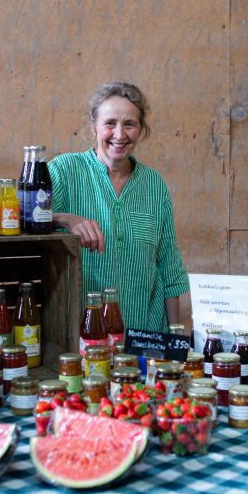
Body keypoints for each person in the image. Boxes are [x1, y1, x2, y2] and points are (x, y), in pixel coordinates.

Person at [49, 81, 190, 334]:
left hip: (145, 337)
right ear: (93, 126)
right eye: (110, 123)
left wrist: (175, 339)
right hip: (80, 339)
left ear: (141, 129)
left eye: (129, 124)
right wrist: (64, 219)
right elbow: (23, 223)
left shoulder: (154, 185)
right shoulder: (63, 171)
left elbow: (169, 268)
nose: (119, 134)